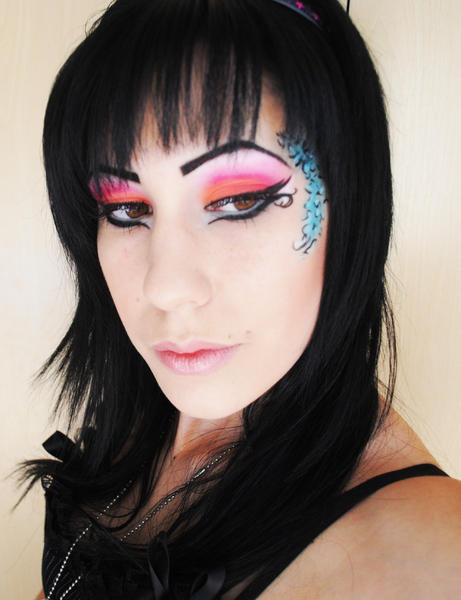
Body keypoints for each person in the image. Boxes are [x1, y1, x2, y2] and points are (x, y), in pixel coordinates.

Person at [23, 0, 461, 598]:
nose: (166, 286)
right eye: (126, 209)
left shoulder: (433, 562)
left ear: (351, 204)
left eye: (239, 201)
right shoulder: (135, 428)